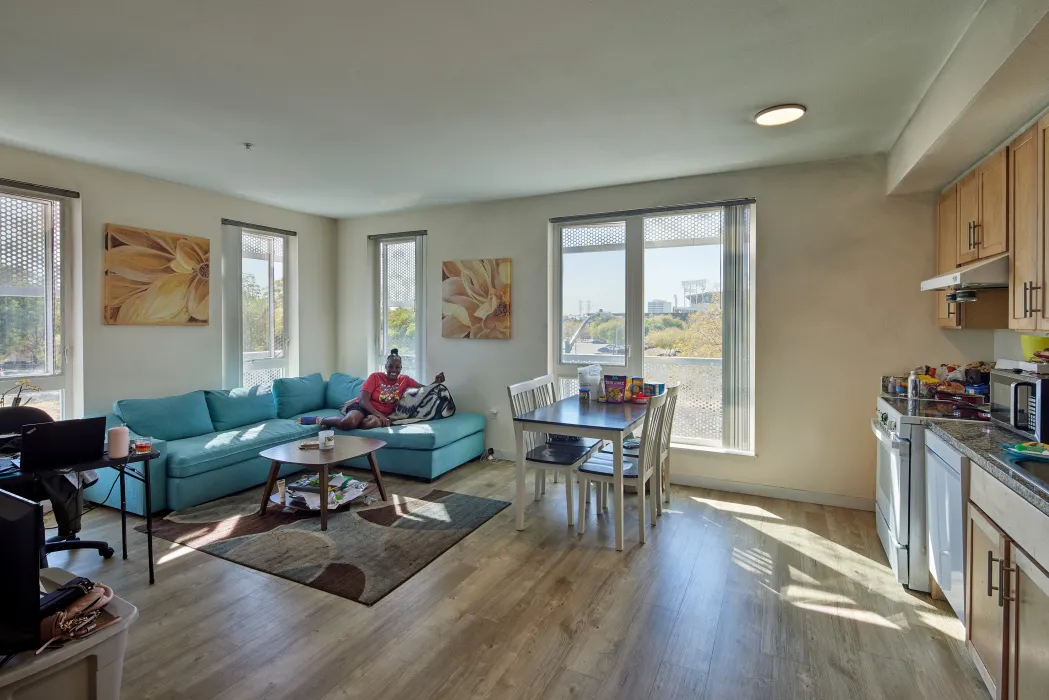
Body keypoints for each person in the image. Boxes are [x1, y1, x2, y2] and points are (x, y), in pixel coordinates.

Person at [312, 349, 445, 430]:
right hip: (363, 407)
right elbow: (364, 401)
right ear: (385, 366)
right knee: (350, 422)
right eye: (391, 366)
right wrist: (380, 416)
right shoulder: (375, 377)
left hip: (377, 415)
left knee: (369, 424)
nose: (394, 370)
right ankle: (323, 420)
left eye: (397, 367)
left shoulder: (405, 380)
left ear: (401, 368)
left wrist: (436, 382)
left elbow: (424, 390)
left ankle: (355, 422)